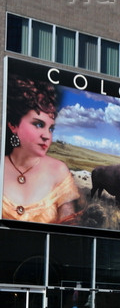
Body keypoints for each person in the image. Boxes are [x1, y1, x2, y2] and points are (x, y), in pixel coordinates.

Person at [2, 75, 79, 223]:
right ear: (13, 125)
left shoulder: (59, 171)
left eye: (51, 128)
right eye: (38, 124)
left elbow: (69, 234)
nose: (46, 136)